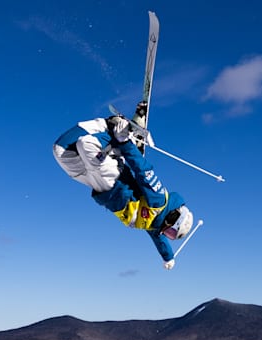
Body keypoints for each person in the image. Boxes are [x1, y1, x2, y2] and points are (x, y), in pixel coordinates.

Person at [53, 102, 193, 270]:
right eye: (171, 232)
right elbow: (143, 171)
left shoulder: (155, 225)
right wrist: (125, 143)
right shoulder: (159, 202)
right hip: (115, 180)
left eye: (170, 236)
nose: (166, 234)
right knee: (86, 144)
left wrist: (168, 257)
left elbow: (159, 240)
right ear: (173, 218)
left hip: (100, 189)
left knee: (61, 150)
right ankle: (112, 127)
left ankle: (116, 143)